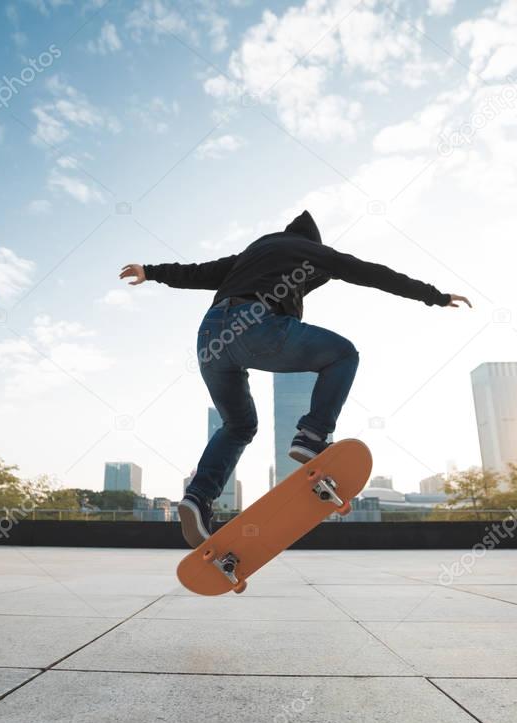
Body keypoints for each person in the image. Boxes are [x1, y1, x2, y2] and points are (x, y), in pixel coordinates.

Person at [119, 210, 471, 547]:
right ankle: (312, 434)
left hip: (210, 339)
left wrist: (150, 270)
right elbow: (370, 272)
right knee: (343, 354)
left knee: (238, 425)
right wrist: (434, 296)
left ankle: (198, 498)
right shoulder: (309, 250)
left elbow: (201, 272)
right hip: (255, 325)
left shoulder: (253, 254)